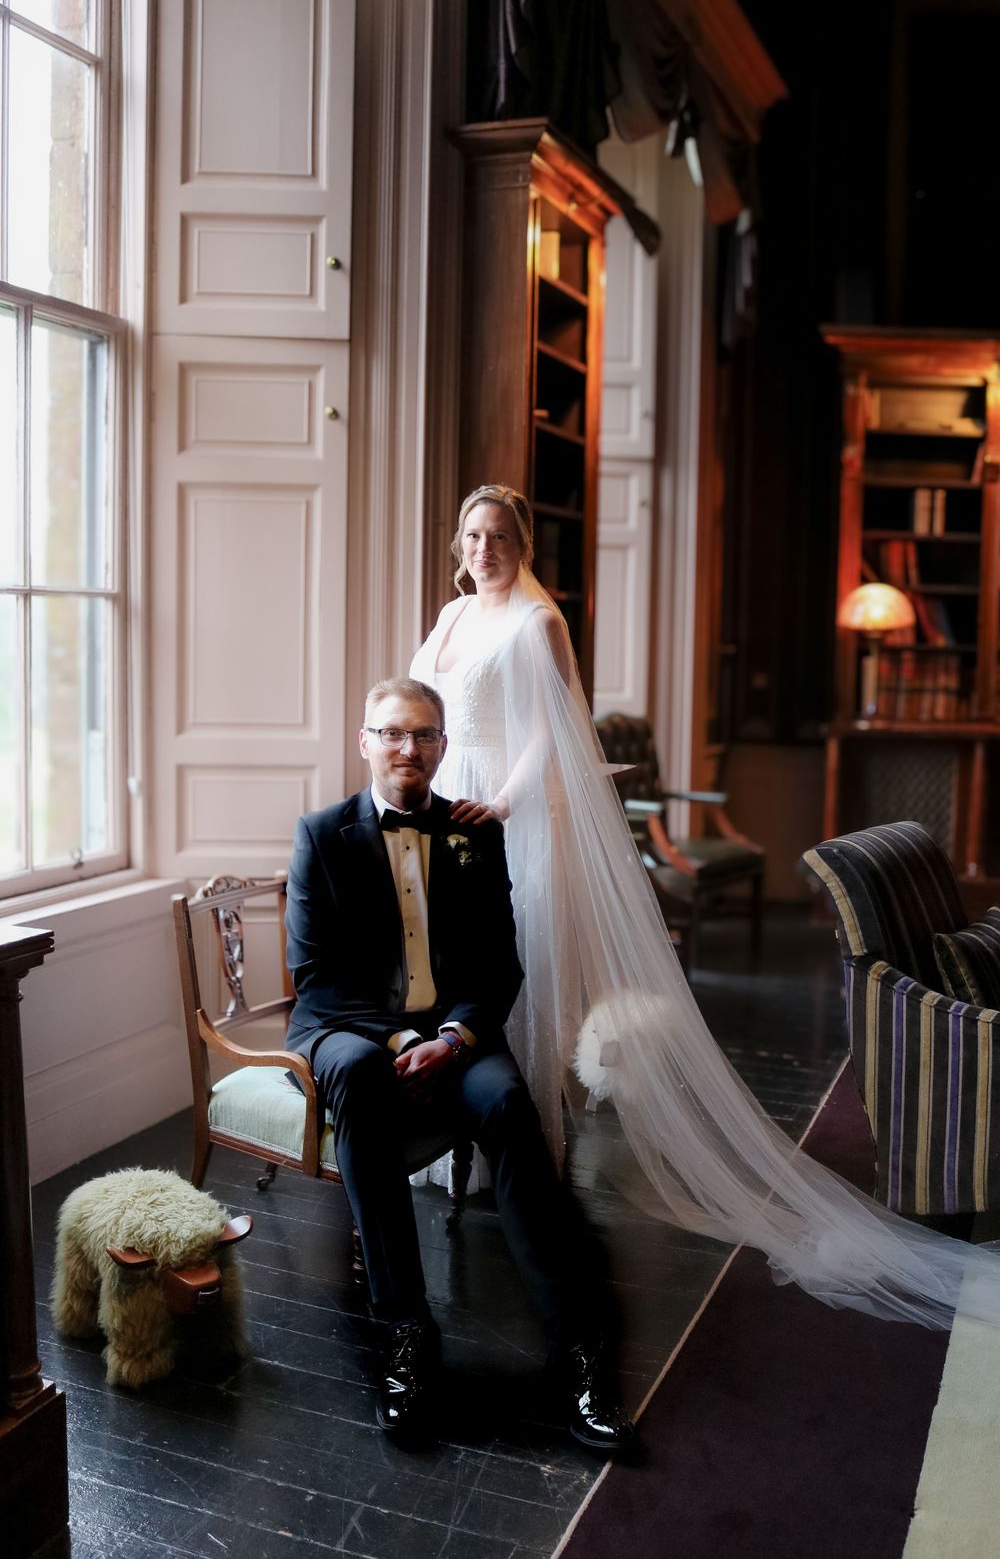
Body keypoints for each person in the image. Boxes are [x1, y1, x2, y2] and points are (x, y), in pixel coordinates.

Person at [410, 482, 1000, 1332]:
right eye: (471, 534)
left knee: (518, 979)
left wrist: (503, 800)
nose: (483, 548)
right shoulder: (451, 614)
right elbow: (422, 709)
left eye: (498, 534)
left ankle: (522, 1151)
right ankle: (446, 1148)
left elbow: (554, 730)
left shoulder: (539, 623)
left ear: (524, 543)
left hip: (508, 812)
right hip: (443, 807)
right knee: (449, 972)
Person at [283, 675, 633, 1448]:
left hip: (457, 1030)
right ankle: (406, 1329)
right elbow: (316, 975)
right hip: (350, 1027)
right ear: (366, 742)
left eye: (425, 736)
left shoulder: (477, 833)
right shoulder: (321, 834)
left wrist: (454, 1040)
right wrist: (405, 1042)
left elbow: (500, 966)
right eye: (394, 734)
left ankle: (575, 1345)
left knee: (509, 1106)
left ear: (443, 747)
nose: (409, 749)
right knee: (360, 1076)